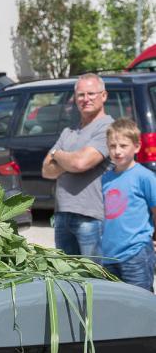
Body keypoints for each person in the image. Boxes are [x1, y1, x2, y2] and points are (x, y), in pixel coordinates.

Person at [42, 73, 113, 258]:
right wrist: (71, 162)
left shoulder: (107, 128)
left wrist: (57, 155)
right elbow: (46, 170)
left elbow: (81, 163)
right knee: (68, 280)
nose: (85, 99)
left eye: (91, 93)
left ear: (103, 96)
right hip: (62, 215)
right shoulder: (69, 131)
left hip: (91, 217)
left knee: (95, 279)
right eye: (81, 95)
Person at [101, 118, 156, 290]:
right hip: (109, 256)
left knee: (140, 304)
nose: (117, 151)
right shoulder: (105, 178)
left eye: (123, 146)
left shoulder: (144, 176)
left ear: (137, 147)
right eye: (112, 146)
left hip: (136, 253)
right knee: (116, 305)